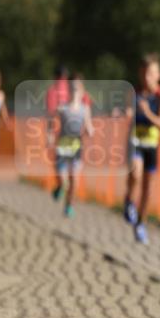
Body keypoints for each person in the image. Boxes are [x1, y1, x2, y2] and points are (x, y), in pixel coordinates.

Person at [123, 54, 160, 244]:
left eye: (151, 73)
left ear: (158, 75)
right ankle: (128, 201)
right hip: (134, 140)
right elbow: (127, 112)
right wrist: (126, 112)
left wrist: (147, 112)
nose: (147, 77)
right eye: (144, 73)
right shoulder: (133, 92)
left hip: (152, 144)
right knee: (135, 174)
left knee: (148, 189)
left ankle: (141, 224)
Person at [50, 75, 94, 217]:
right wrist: (50, 135)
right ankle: (59, 188)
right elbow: (51, 121)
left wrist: (90, 131)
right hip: (62, 147)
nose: (75, 90)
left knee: (74, 180)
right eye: (72, 87)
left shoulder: (85, 109)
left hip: (76, 147)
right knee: (63, 181)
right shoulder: (62, 107)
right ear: (69, 89)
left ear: (82, 90)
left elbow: (88, 126)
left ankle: (69, 206)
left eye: (77, 87)